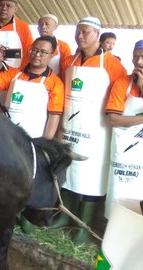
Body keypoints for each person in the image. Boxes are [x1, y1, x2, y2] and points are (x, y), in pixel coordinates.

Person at [54, 17, 127, 244]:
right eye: (78, 32)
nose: (80, 36)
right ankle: (66, 216)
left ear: (97, 34)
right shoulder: (69, 60)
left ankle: (83, 225)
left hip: (96, 131)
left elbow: (121, 97)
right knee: (69, 173)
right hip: (70, 127)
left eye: (85, 32)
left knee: (90, 177)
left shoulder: (113, 65)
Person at [0, 36, 64, 139]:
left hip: (34, 137)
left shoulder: (55, 83)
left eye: (43, 52)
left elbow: (54, 116)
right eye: (34, 50)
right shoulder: (14, 74)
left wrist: (45, 143)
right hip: (6, 133)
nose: (37, 54)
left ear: (51, 56)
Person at [103, 40, 143, 219]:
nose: (139, 62)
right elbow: (114, 119)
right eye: (135, 56)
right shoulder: (122, 83)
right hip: (124, 155)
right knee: (118, 191)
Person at [0, 0, 34, 69]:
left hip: (13, 71)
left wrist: (1, 54)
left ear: (15, 9)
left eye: (8, 6)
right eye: (1, 5)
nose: (4, 8)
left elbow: (27, 51)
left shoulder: (23, 26)